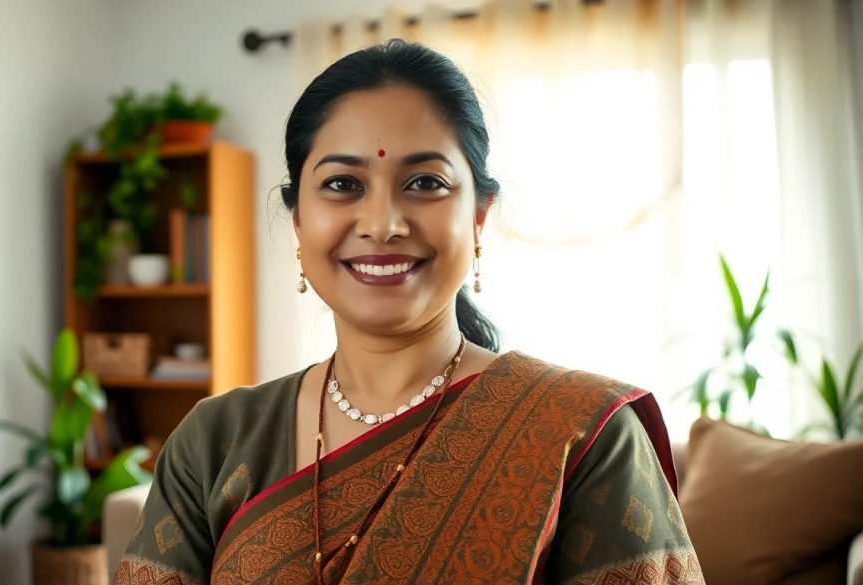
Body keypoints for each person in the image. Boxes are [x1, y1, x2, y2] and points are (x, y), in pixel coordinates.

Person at [114, 39, 704, 585]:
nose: (382, 224)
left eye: (425, 182)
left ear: (479, 217)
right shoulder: (213, 443)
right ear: (298, 221)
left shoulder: (581, 434)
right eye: (342, 184)